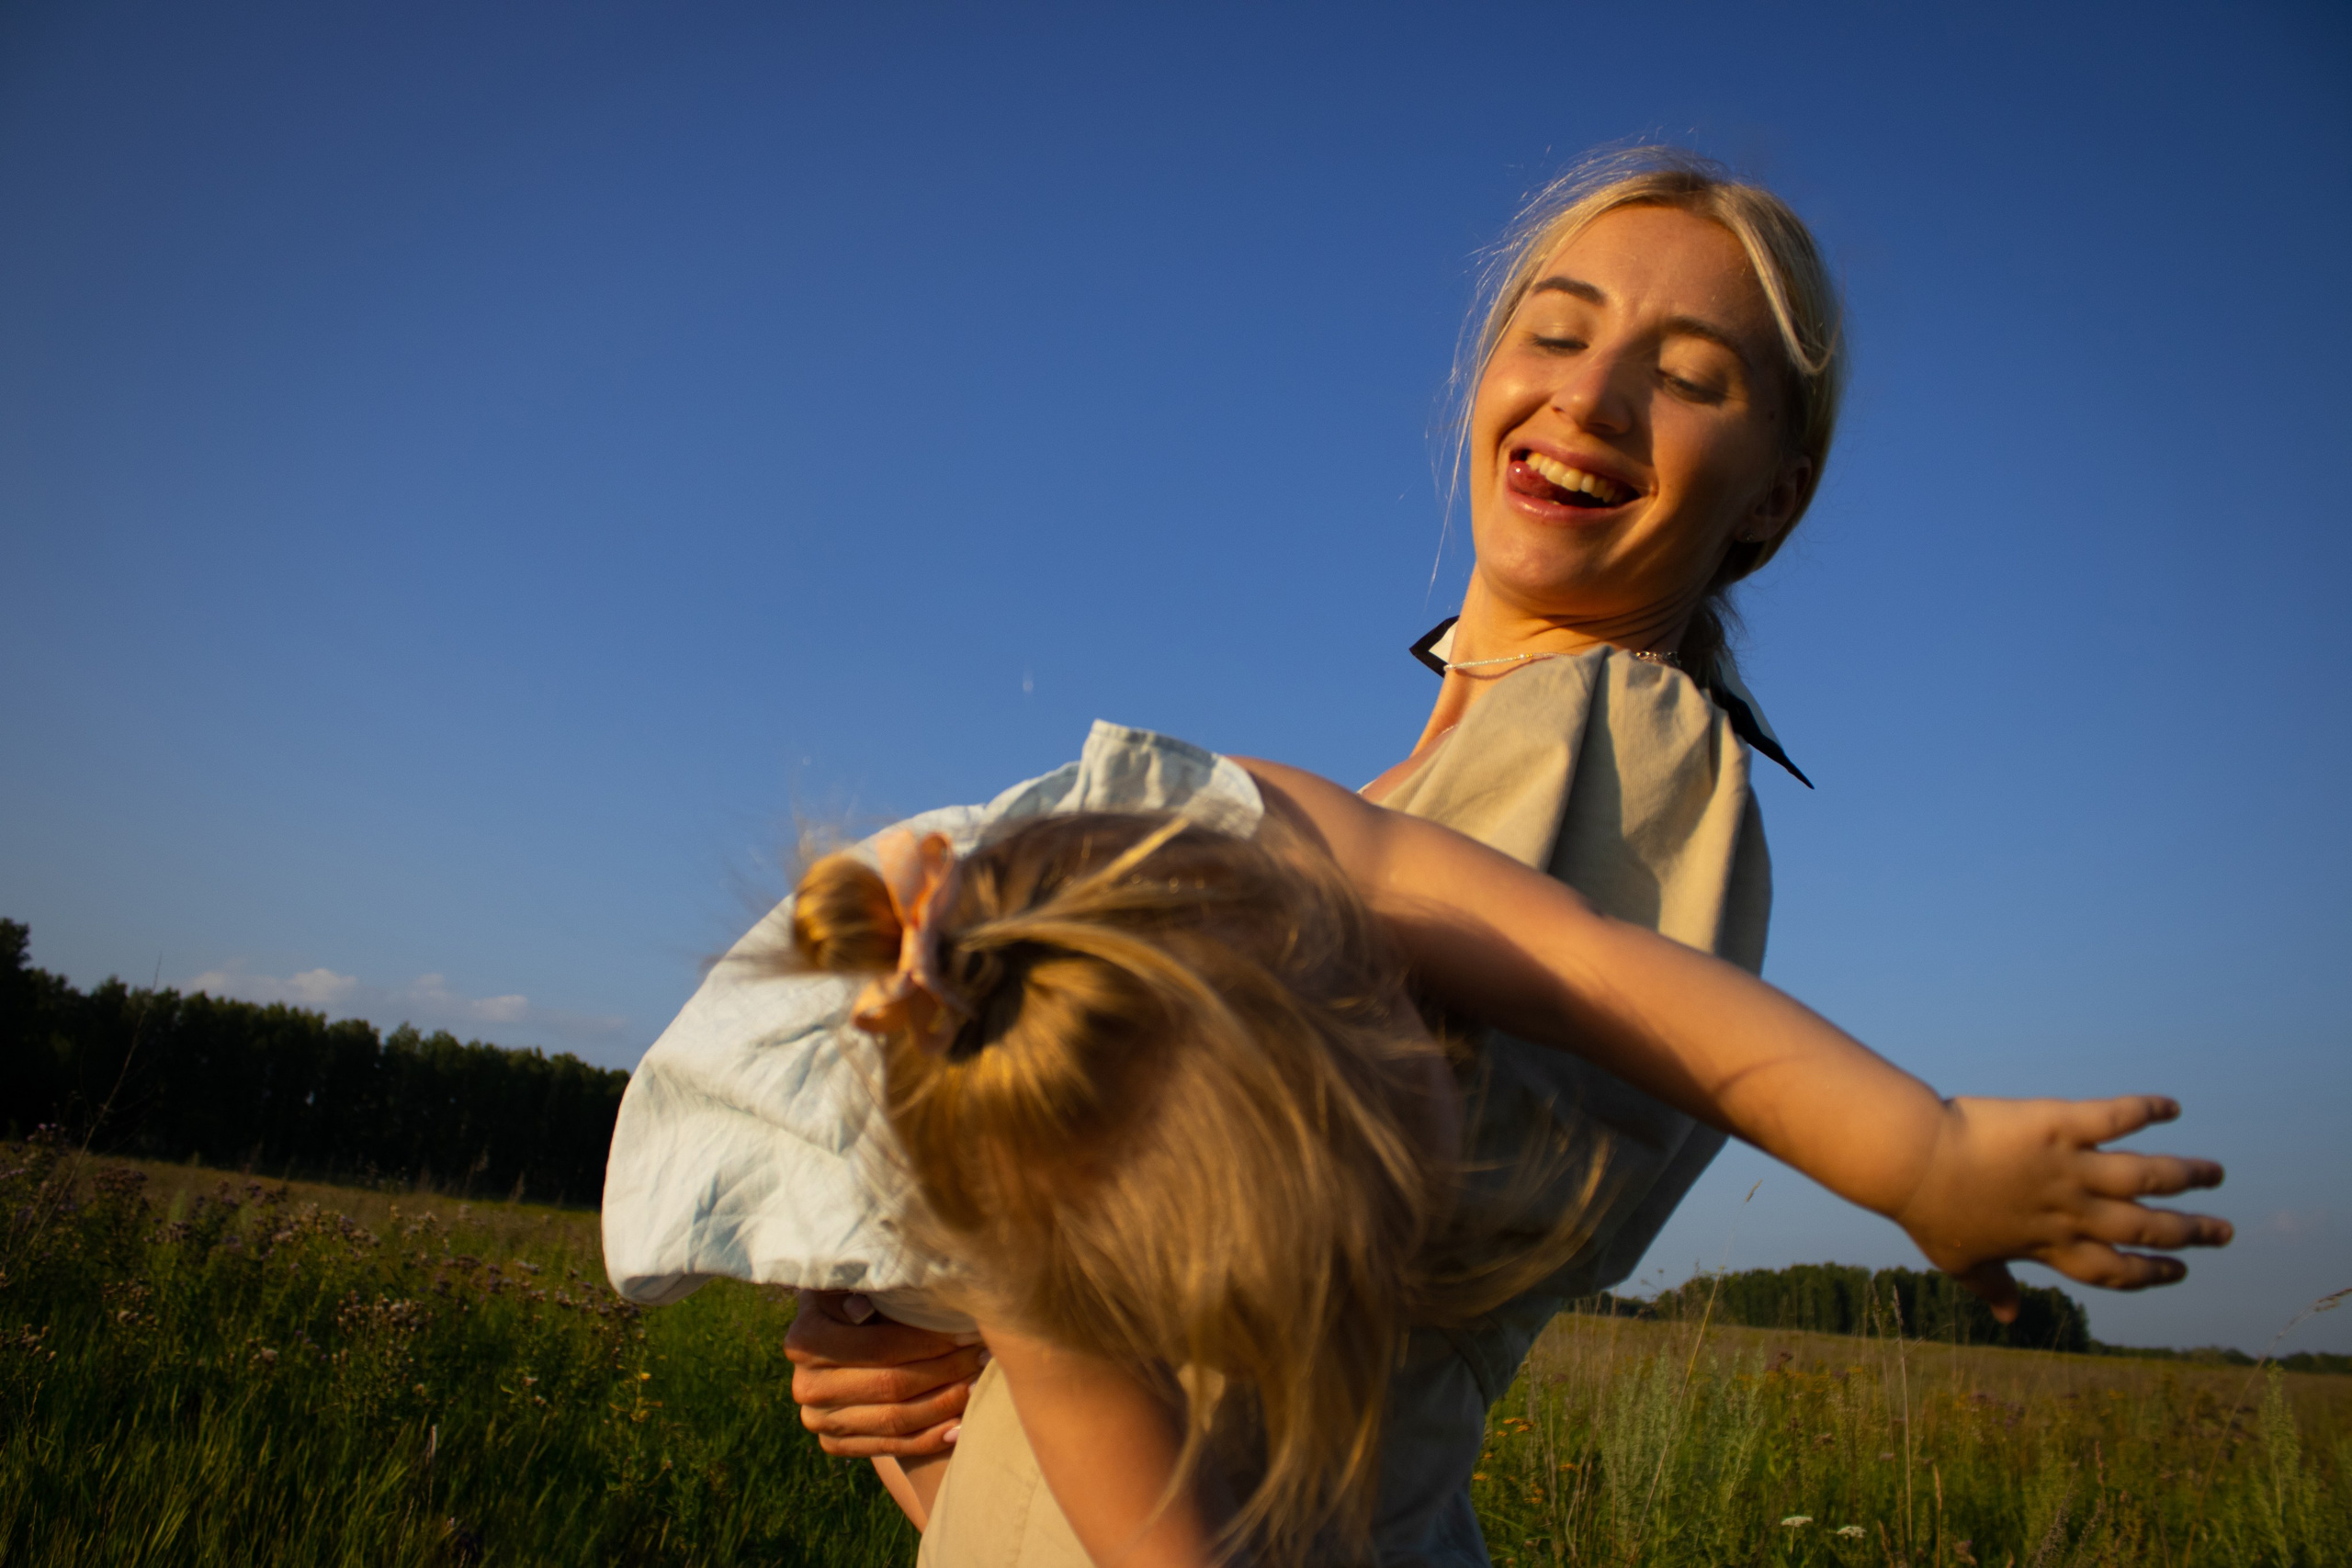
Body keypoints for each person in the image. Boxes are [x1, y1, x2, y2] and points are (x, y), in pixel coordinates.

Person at [779, 144, 1848, 1562]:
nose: (1591, 396)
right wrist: (910, 1374)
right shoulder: (1394, 806)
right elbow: (1094, 1438)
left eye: (1690, 375)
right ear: (1484, 380)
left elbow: (1340, 1232)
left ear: (1772, 497)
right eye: (1556, 332)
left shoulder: (1622, 736)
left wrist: (957, 1240)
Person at [769, 754, 2227, 1568]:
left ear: (1343, 953)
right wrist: (917, 1408)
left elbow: (1580, 962)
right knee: (921, 1389)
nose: (1447, 1087)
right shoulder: (1036, 1275)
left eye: (1410, 1040)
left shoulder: (1269, 832)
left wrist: (1924, 1154)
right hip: (902, 1188)